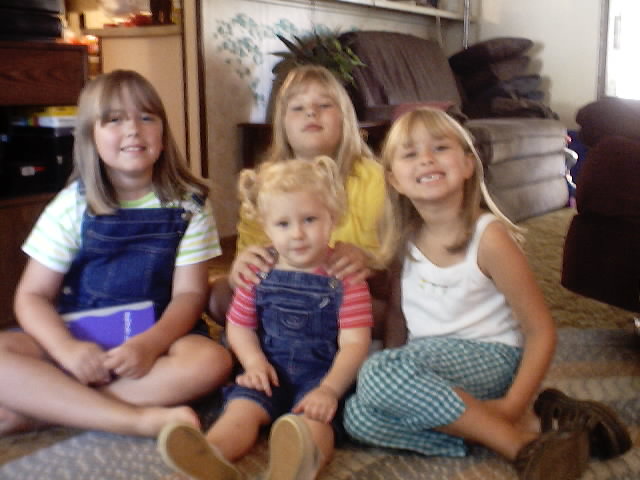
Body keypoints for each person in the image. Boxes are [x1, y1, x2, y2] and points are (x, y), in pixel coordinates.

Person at [342, 107, 631, 480]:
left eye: (440, 148)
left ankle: (518, 446)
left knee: (376, 372)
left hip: (493, 361)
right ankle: (542, 424)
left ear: (467, 164)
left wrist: (511, 404)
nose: (426, 159)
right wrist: (398, 382)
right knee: (358, 416)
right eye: (410, 154)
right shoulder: (404, 239)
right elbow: (397, 315)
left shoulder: (489, 238)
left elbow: (541, 330)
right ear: (394, 180)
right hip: (431, 370)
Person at [0, 70, 232, 438]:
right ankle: (136, 419)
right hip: (80, 335)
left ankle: (47, 408)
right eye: (114, 120)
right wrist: (66, 349)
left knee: (212, 361)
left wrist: (150, 344)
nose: (133, 130)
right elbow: (32, 296)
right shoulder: (71, 205)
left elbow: (190, 294)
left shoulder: (189, 205)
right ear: (90, 137)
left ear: (163, 134)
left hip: (160, 335)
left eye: (146, 117)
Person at [158, 156, 373, 480]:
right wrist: (254, 363)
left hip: (322, 377)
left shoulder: (346, 276)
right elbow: (239, 326)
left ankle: (298, 465)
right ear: (265, 226)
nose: (297, 234)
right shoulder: (258, 270)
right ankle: (210, 457)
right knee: (240, 410)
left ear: (333, 217)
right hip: (267, 371)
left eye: (310, 219)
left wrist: (330, 390)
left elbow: (355, 343)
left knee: (315, 423)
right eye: (283, 224)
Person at [207, 65, 390, 341]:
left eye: (324, 105)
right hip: (283, 293)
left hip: (345, 299)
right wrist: (241, 269)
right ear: (282, 124)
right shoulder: (264, 183)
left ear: (345, 118)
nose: (311, 113)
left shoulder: (374, 177)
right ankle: (272, 342)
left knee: (392, 308)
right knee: (219, 292)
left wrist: (369, 262)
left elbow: (394, 256)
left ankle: (308, 343)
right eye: (298, 108)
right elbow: (250, 258)